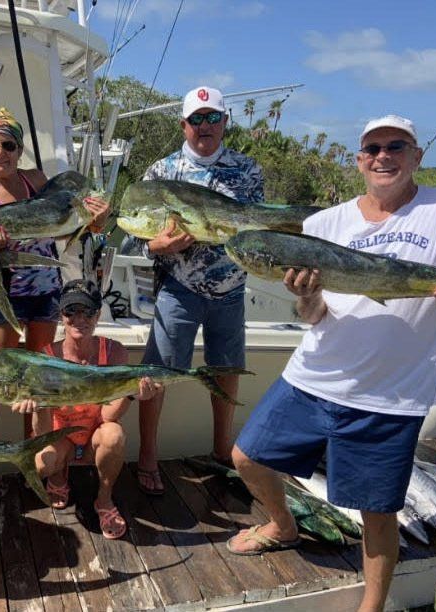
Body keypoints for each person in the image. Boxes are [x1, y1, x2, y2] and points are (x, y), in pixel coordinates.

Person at [226, 115, 436, 612]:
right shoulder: (323, 224)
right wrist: (306, 296)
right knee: (246, 457)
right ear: (359, 160)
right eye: (372, 149)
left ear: (416, 155)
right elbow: (314, 314)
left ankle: (371, 605)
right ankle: (283, 525)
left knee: (376, 511)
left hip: (391, 393)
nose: (383, 157)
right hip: (315, 374)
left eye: (396, 146)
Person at [0, 108, 109, 501]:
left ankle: (36, 462)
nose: (0, 152)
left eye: (8, 145)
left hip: (45, 293)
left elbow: (69, 225)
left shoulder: (37, 180)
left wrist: (96, 222)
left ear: (20, 150)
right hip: (4, 298)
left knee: (38, 381)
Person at [136, 86, 265, 495]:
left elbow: (256, 226)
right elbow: (139, 231)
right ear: (184, 124)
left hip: (231, 290)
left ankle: (221, 452)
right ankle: (147, 457)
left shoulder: (248, 170)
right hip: (179, 289)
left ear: (225, 122)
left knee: (226, 373)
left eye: (213, 118)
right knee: (158, 374)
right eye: (197, 119)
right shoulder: (161, 172)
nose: (204, 126)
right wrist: (157, 246)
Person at [11, 279, 161, 539]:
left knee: (113, 434)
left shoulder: (114, 352)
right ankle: (58, 476)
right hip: (61, 436)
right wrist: (37, 405)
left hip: (94, 436)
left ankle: (104, 499)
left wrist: (131, 394)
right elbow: (43, 430)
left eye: (88, 312)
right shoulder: (46, 358)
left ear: (98, 315)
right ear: (61, 315)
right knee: (38, 464)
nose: (79, 319)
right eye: (71, 312)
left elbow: (107, 416)